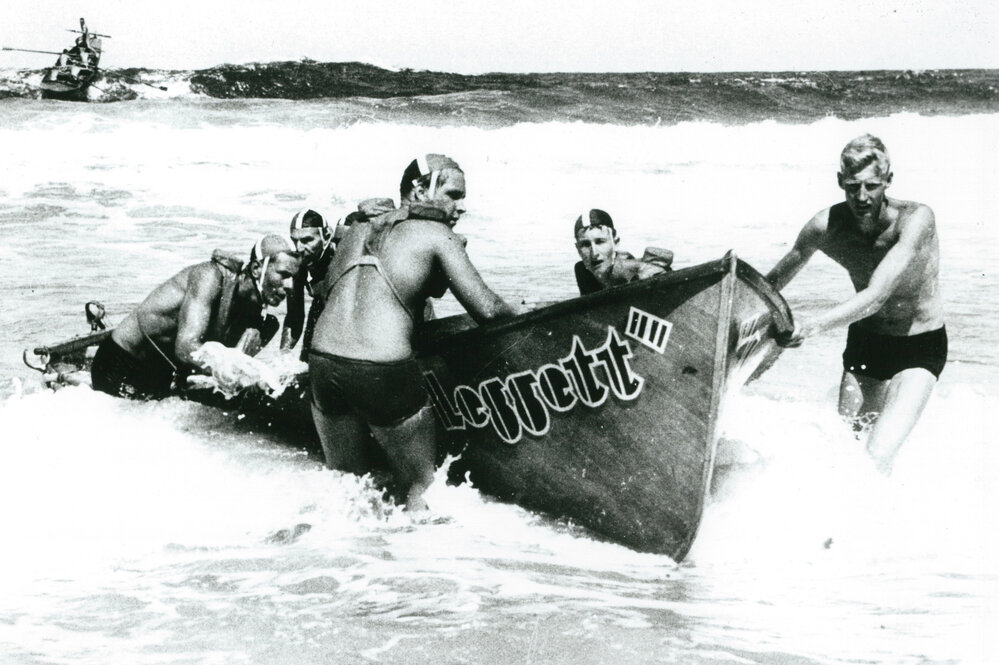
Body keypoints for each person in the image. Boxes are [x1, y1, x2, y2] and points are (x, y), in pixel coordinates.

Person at [309, 154, 518, 510]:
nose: (461, 206)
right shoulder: (437, 234)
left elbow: (327, 293)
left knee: (348, 488)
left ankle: (345, 562)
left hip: (324, 363)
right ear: (419, 189)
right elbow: (487, 309)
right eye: (453, 195)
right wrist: (530, 312)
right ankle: (420, 564)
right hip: (381, 368)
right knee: (422, 486)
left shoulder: (357, 230)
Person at [766, 134, 946, 474]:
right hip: (867, 346)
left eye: (872, 186)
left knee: (877, 454)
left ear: (888, 181)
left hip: (919, 346)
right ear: (839, 182)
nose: (861, 197)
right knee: (847, 456)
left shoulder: (916, 220)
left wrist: (810, 326)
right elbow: (772, 284)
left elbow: (876, 296)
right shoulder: (827, 226)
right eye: (852, 186)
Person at [91, 234, 301, 399]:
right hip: (121, 363)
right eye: (283, 275)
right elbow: (185, 348)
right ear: (257, 269)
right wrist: (241, 370)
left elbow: (224, 372)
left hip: (161, 375)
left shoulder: (260, 320)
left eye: (294, 278)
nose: (290, 286)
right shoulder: (210, 277)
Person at [573, 208, 673, 295]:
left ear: (615, 242)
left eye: (600, 242)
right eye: (585, 245)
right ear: (577, 249)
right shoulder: (583, 271)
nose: (594, 254)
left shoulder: (628, 269)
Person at [281, 208, 337, 359]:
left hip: (347, 312)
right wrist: (282, 358)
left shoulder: (340, 255)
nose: (299, 248)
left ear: (326, 236)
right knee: (306, 360)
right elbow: (294, 317)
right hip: (321, 305)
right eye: (294, 240)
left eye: (307, 240)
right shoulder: (298, 261)